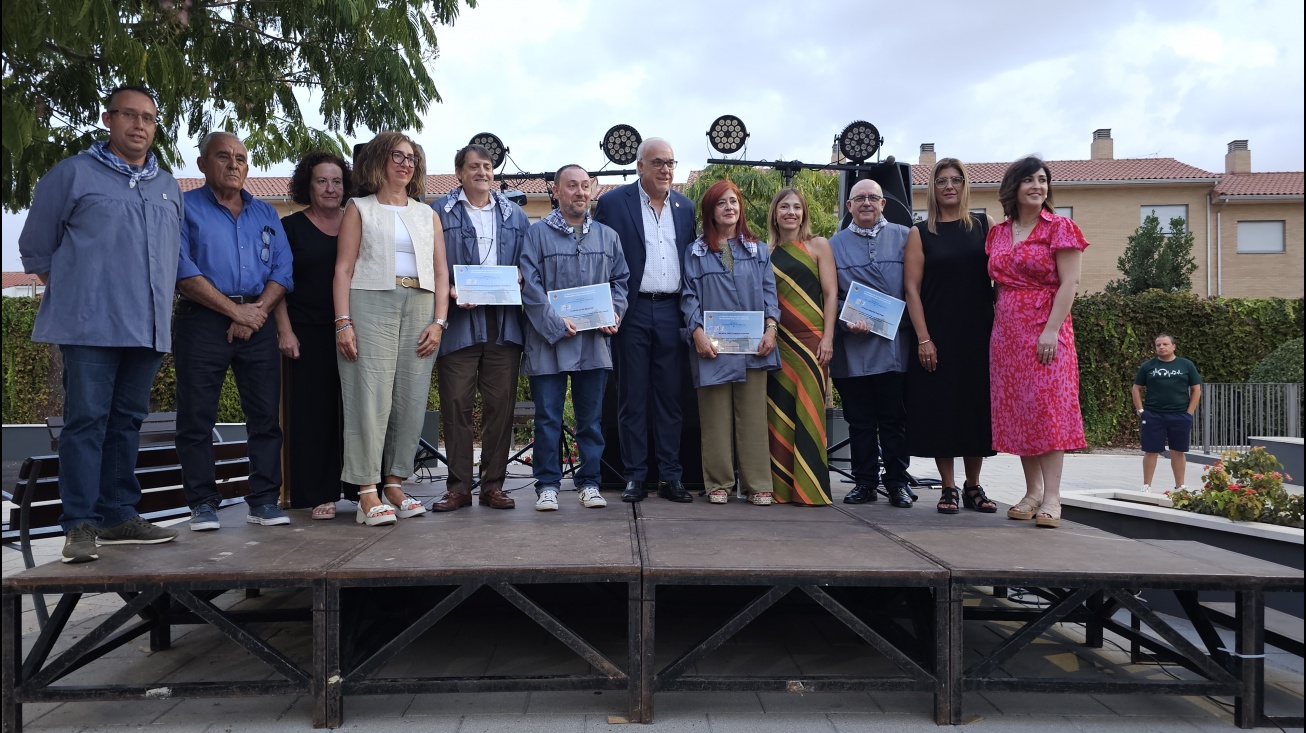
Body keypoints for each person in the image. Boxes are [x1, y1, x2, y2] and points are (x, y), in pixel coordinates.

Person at [18, 85, 183, 562]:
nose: (139, 125)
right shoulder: (72, 173)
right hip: (88, 326)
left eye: (148, 118)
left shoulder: (168, 185)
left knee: (127, 422)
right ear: (108, 119)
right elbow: (37, 246)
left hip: (148, 326)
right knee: (85, 422)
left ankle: (118, 516)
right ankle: (81, 525)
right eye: (128, 115)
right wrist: (78, 289)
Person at [176, 132, 293, 531]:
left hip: (258, 319)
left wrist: (255, 313)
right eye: (223, 157)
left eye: (241, 158)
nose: (234, 164)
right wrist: (234, 312)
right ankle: (203, 505)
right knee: (196, 417)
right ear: (203, 164)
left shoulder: (265, 214)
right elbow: (183, 270)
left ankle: (264, 501)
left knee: (264, 416)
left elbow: (282, 270)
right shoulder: (185, 207)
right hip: (202, 320)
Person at [334, 131, 450, 526]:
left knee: (411, 397)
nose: (406, 163)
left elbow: (440, 271)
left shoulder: (426, 213)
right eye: (397, 156)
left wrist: (439, 321)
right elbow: (343, 269)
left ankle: (395, 482)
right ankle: (367, 490)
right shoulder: (359, 208)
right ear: (379, 161)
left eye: (412, 158)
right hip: (369, 302)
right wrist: (342, 321)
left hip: (420, 306)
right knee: (369, 396)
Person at [519, 165, 629, 512]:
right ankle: (548, 485)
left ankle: (589, 482)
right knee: (548, 418)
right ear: (556, 191)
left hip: (593, 342)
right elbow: (529, 285)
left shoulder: (608, 237)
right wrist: (553, 323)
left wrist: (614, 313)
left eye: (585, 186)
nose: (580, 192)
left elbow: (621, 282)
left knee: (591, 420)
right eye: (572, 186)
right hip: (548, 341)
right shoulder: (536, 235)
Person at [594, 138, 698, 504]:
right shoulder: (611, 203)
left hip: (672, 310)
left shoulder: (686, 208)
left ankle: (671, 476)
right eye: (657, 162)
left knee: (671, 398)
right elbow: (598, 258)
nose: (665, 169)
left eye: (670, 162)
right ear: (640, 166)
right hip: (631, 310)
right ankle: (635, 475)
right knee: (632, 397)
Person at [987, 156, 1090, 529]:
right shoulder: (998, 232)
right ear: (1014, 186)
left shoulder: (1060, 227)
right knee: (1019, 410)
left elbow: (1069, 283)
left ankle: (1052, 497)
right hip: (1007, 333)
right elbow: (996, 283)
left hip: (1047, 329)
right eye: (1029, 180)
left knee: (1048, 409)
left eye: (1043, 180)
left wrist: (1050, 330)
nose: (1037, 186)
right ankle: (1031, 493)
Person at [429, 144, 529, 512]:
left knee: (500, 407)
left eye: (487, 167)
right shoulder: (438, 212)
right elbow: (428, 264)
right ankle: (458, 487)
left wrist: (520, 274)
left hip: (504, 324)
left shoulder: (516, 215)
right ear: (459, 173)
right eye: (474, 167)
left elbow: (527, 262)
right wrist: (450, 291)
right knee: (455, 404)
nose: (482, 173)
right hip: (458, 322)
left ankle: (493, 485)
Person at [903, 159, 998, 515]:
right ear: (933, 187)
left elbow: (1001, 278)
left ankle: (973, 486)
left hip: (979, 332)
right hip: (937, 334)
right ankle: (948, 487)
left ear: (964, 185)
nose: (949, 186)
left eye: (955, 180)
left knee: (975, 407)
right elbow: (911, 290)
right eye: (941, 180)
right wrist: (924, 339)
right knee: (942, 408)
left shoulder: (985, 226)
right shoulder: (920, 232)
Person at [681, 180, 781, 505]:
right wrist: (696, 332)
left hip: (754, 346)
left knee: (753, 416)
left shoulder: (758, 249)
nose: (730, 208)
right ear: (710, 210)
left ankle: (757, 483)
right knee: (714, 418)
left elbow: (770, 294)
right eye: (722, 203)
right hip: (711, 347)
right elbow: (688, 296)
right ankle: (718, 483)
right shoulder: (695, 251)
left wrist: (771, 329)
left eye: (734, 202)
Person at [274, 151, 356, 519]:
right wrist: (285, 331)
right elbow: (278, 284)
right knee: (313, 415)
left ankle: (360, 488)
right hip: (306, 331)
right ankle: (318, 492)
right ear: (308, 184)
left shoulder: (357, 223)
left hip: (357, 329)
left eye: (337, 181)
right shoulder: (290, 228)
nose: (330, 188)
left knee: (357, 413)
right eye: (322, 180)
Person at [828, 180, 914, 508]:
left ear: (883, 204)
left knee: (894, 420)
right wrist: (844, 321)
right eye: (859, 198)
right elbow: (828, 296)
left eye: (873, 197)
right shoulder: (833, 246)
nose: (866, 202)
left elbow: (916, 290)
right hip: (854, 349)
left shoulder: (906, 237)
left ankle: (896, 483)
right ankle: (864, 482)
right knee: (860, 420)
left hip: (895, 348)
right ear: (848, 206)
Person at [765, 188, 836, 506]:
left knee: (810, 414)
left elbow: (831, 294)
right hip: (778, 344)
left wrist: (828, 339)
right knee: (778, 414)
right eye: (784, 207)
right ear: (775, 213)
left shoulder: (819, 245)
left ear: (804, 212)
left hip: (813, 343)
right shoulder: (765, 251)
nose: (790, 212)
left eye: (796, 207)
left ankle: (811, 491)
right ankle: (780, 490)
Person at [1132, 334, 1202, 492]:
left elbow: (1196, 389)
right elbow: (1136, 388)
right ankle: (1146, 485)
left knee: (1178, 451)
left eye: (1165, 344)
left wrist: (1189, 412)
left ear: (1173, 346)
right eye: (1158, 345)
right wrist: (1141, 410)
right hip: (1153, 414)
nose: (1161, 347)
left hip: (1179, 415)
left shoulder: (1186, 365)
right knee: (1151, 450)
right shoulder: (1148, 366)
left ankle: (1180, 486)